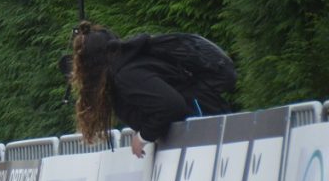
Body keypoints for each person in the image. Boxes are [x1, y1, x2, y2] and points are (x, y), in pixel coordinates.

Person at [69, 21, 234, 158]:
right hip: (203, 125)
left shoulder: (126, 75)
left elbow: (172, 105)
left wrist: (143, 137)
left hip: (204, 127)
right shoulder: (126, 68)